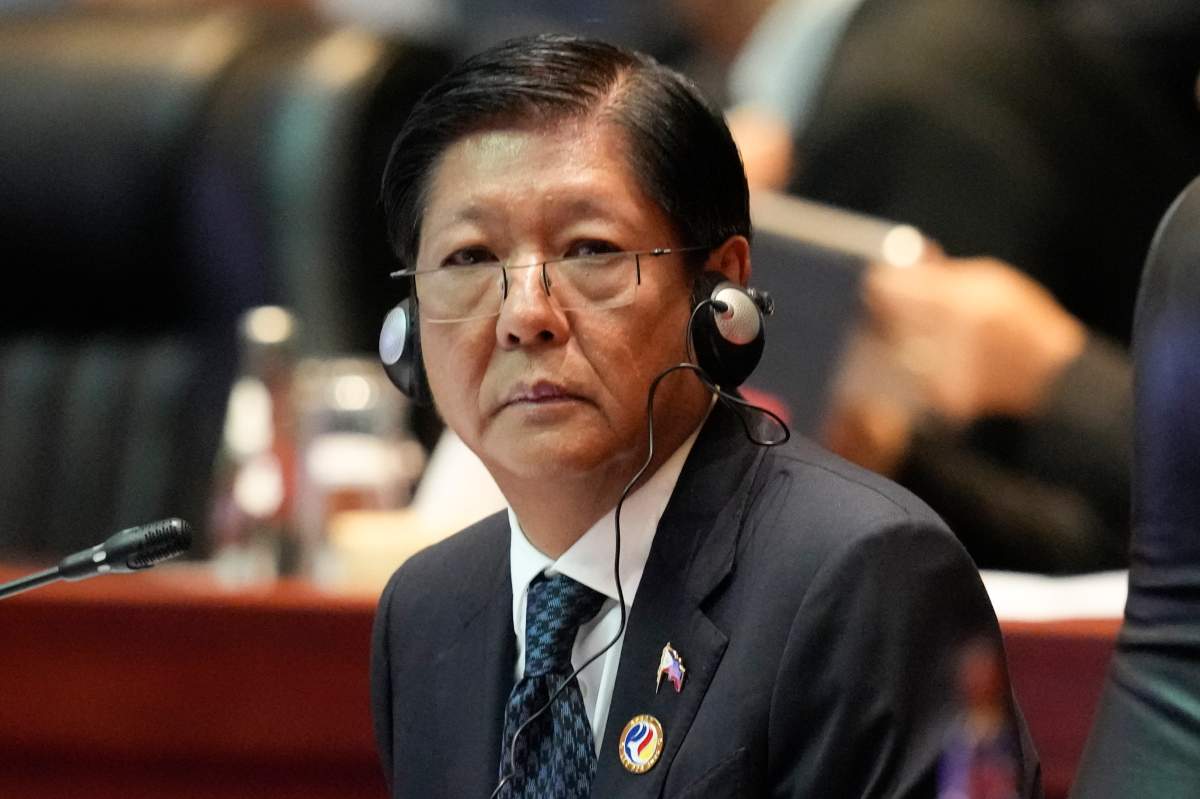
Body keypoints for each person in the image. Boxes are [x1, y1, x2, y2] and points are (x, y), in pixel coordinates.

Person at [369, 34, 1041, 798]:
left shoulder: (860, 575)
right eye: (468, 258)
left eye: (591, 248)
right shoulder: (425, 610)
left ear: (720, 290)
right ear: (409, 324)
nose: (526, 315)